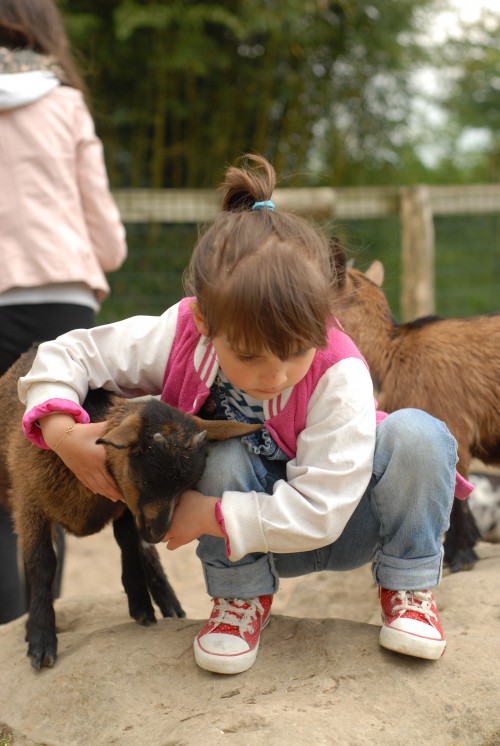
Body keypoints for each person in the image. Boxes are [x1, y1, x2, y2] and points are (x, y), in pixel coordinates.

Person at [18, 154, 472, 674]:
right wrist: (62, 432)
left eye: (297, 351)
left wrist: (209, 515)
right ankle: (239, 601)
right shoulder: (183, 334)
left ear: (324, 324)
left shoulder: (338, 372)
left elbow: (323, 510)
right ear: (206, 321)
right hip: (247, 542)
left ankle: (409, 588)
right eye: (251, 355)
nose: (276, 374)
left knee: (419, 435)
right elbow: (66, 352)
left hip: (351, 521)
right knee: (217, 451)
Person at [0, 0, 127, 624]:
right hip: (58, 305)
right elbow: (108, 240)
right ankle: (37, 629)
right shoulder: (64, 104)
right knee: (51, 477)